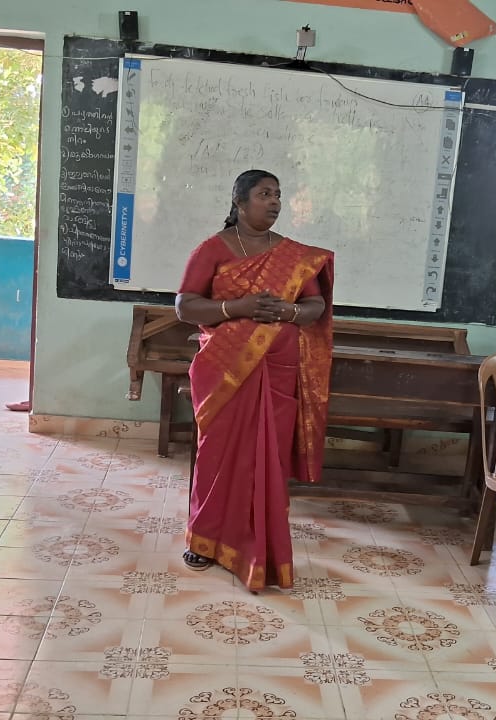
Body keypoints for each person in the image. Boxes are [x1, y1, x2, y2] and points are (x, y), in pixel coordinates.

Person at [174, 169, 333, 590]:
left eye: (277, 194)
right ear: (240, 202)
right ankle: (204, 539)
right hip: (225, 371)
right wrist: (237, 307)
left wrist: (290, 312)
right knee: (217, 455)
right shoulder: (213, 249)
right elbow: (185, 306)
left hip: (278, 372)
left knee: (267, 460)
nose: (275, 202)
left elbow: (315, 305)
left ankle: (264, 548)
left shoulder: (294, 255)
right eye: (264, 194)